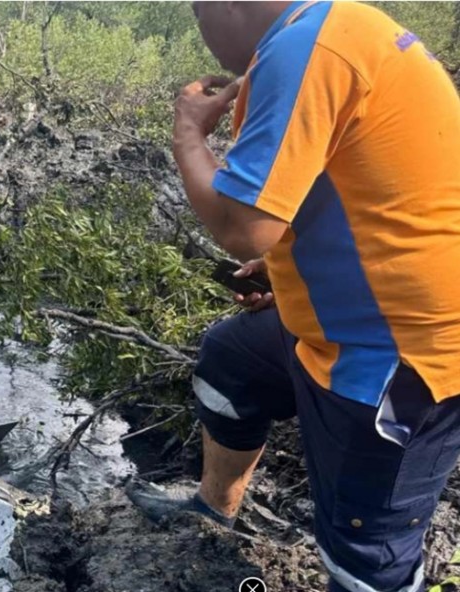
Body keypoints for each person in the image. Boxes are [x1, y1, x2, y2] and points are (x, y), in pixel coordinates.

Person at [126, 3, 460, 592]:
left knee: (365, 558)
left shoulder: (306, 50)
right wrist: (287, 275)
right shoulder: (341, 26)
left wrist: (187, 132)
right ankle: (214, 509)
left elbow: (240, 224)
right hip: (354, 319)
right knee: (231, 364)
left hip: (402, 356)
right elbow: (363, 191)